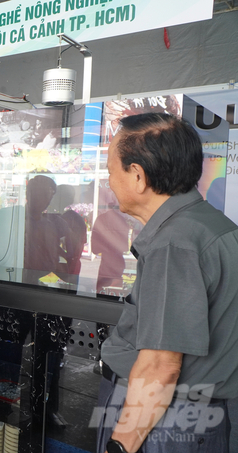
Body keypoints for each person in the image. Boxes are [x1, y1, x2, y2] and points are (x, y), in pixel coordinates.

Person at [96, 113, 238, 453]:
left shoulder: (174, 243)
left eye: (111, 171)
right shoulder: (213, 225)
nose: (109, 181)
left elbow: (161, 365)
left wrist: (122, 445)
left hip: (166, 422)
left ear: (137, 176)